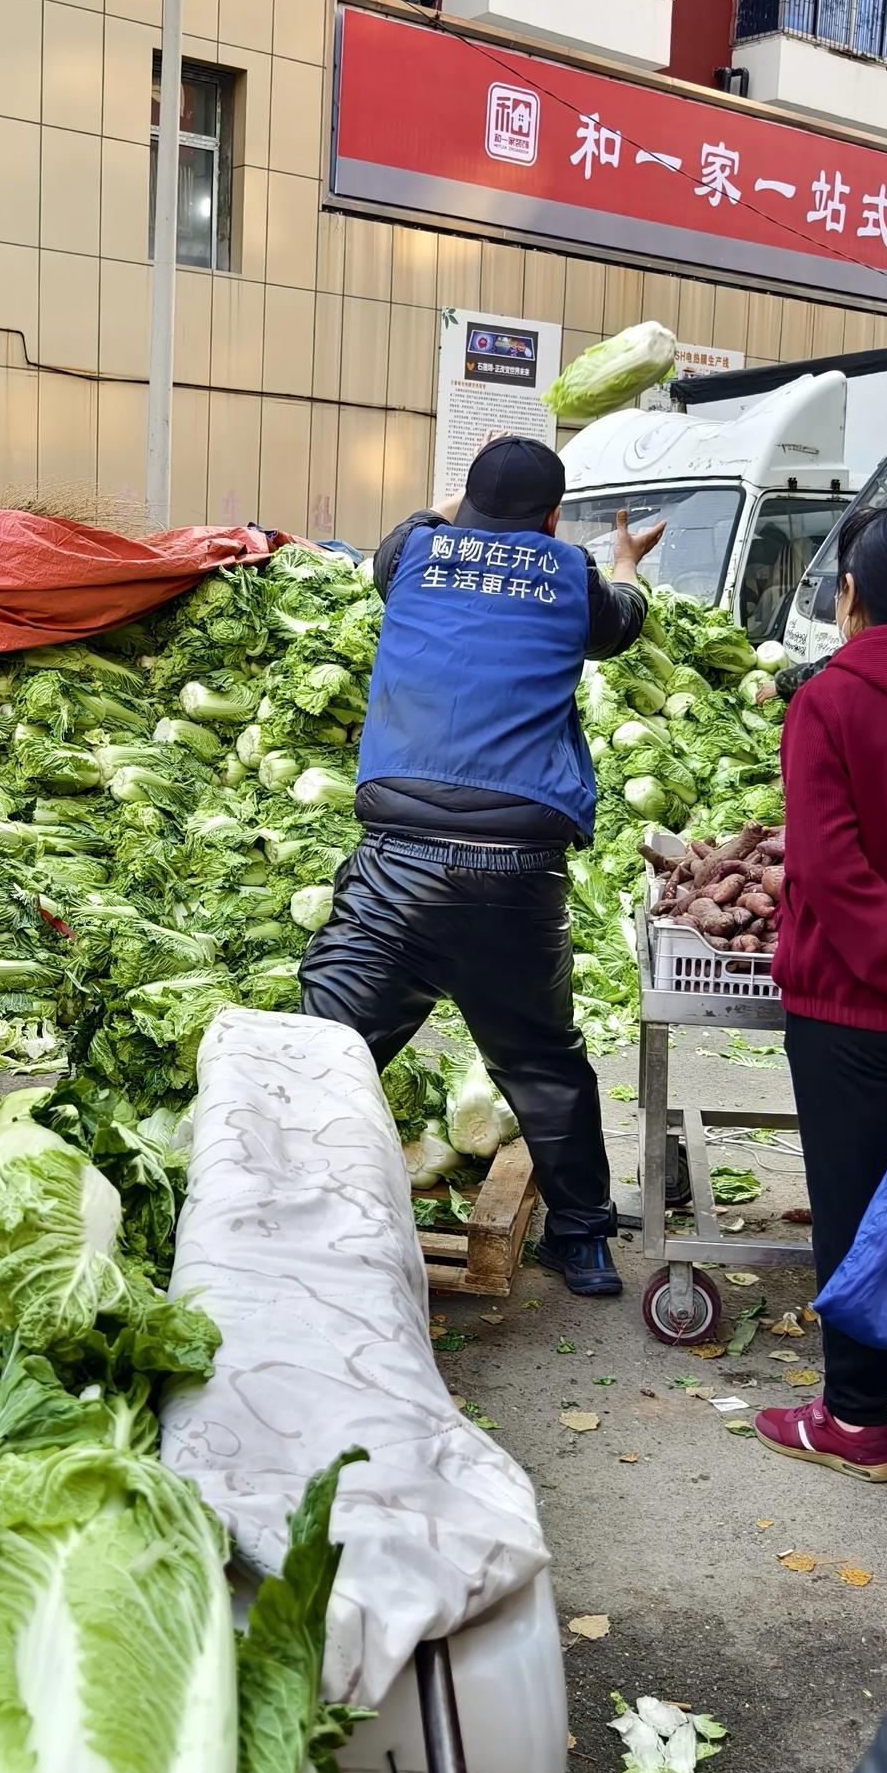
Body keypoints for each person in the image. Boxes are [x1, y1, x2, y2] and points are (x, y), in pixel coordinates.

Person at [300, 436, 664, 1297]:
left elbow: (416, 539)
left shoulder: (413, 550)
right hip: (515, 876)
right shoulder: (572, 576)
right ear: (550, 517)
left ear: (463, 501)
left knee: (321, 1049)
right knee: (542, 1059)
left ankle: (280, 1215)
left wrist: (451, 509)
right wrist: (622, 559)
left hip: (396, 870)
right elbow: (627, 616)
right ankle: (582, 1244)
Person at [755, 503, 887, 1484]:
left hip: (855, 1008)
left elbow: (835, 869)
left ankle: (852, 1416)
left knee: (855, 1206)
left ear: (850, 592)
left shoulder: (826, 698)